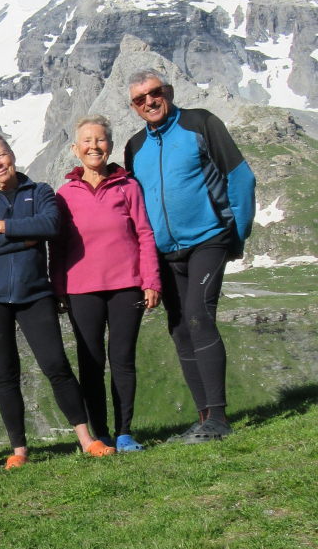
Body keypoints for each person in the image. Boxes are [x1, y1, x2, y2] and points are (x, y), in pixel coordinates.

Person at [0, 131, 115, 468]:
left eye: (1, 155)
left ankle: (87, 440)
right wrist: (25, 237)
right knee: (5, 373)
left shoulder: (40, 190)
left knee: (56, 365)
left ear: (12, 154)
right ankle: (19, 451)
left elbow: (49, 225)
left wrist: (3, 226)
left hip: (35, 294)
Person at [124, 69, 256, 442]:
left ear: (168, 91)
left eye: (155, 93)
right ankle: (204, 419)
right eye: (139, 99)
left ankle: (219, 418)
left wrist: (236, 234)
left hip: (208, 239)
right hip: (166, 252)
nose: (149, 102)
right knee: (180, 327)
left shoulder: (200, 123)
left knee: (199, 316)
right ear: (134, 107)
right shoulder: (135, 147)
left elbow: (241, 178)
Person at [53, 115, 161, 452]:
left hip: (126, 285)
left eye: (100, 140)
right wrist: (58, 288)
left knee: (123, 358)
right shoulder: (64, 194)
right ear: (76, 149)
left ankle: (124, 431)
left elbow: (144, 234)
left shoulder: (128, 186)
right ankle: (100, 433)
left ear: (110, 146)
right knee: (91, 363)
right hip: (81, 289)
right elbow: (57, 246)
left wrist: (151, 280)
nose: (94, 146)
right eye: (86, 141)